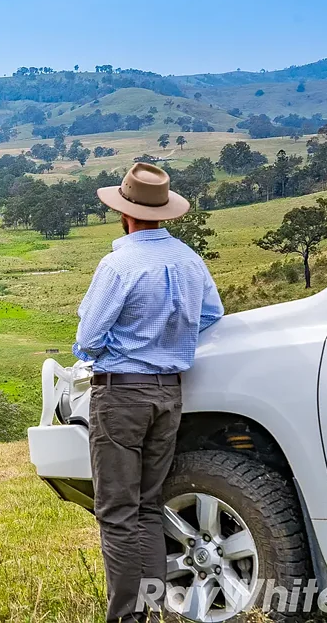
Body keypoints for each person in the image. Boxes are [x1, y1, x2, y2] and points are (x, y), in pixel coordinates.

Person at [73, 162, 224, 623]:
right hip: (169, 395)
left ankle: (125, 617)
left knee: (116, 512)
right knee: (146, 505)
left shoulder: (118, 263)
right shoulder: (189, 260)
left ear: (124, 213)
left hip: (122, 396)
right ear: (162, 212)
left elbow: (89, 338)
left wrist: (122, 344)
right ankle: (151, 609)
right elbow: (211, 315)